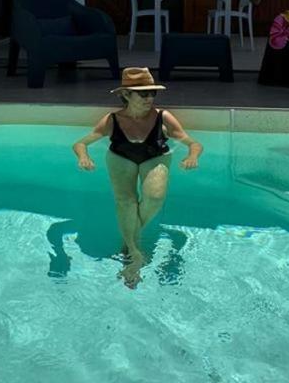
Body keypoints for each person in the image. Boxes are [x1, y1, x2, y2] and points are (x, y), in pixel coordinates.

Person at [72, 66, 202, 287]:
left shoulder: (163, 117)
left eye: (153, 93)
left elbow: (193, 142)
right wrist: (83, 157)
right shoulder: (112, 120)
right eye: (143, 93)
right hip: (121, 156)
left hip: (155, 156)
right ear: (126, 95)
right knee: (126, 201)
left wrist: (193, 156)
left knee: (155, 196)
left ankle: (129, 239)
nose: (149, 97)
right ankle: (134, 253)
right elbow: (80, 143)